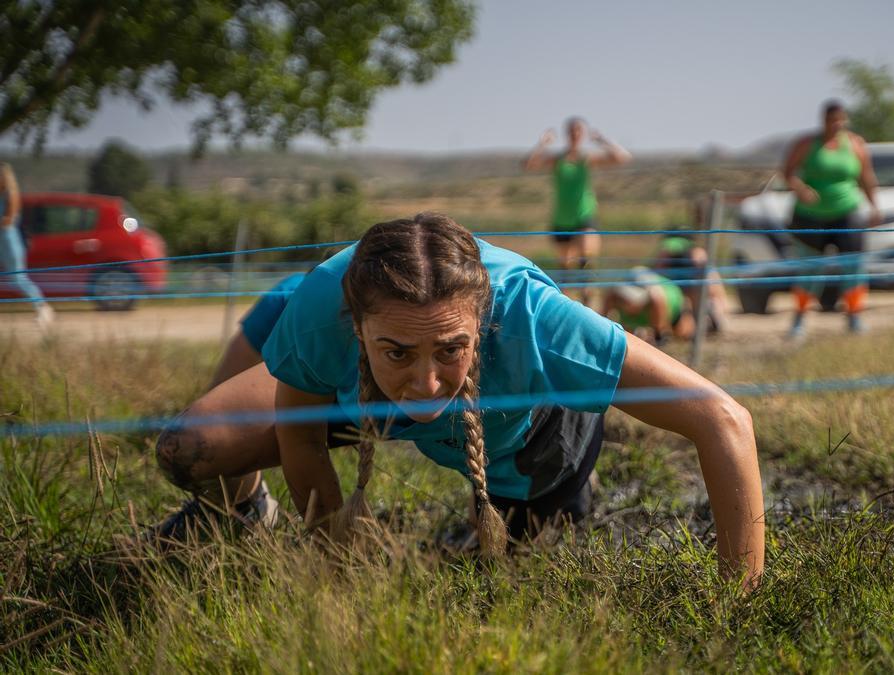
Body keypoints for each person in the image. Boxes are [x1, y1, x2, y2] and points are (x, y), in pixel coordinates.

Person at [150, 214, 764, 588]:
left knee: (507, 580)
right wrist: (331, 560)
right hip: (360, 399)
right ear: (356, 324)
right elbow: (300, 432)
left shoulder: (535, 319)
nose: (426, 385)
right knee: (189, 446)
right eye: (398, 352)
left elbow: (723, 419)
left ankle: (537, 504)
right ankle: (241, 517)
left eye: (450, 349)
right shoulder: (319, 309)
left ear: (482, 325)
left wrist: (738, 610)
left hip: (531, 437)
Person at [781, 100, 880, 340]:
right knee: (810, 268)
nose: (836, 124)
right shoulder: (806, 144)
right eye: (831, 120)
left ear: (844, 120)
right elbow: (787, 173)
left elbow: (866, 177)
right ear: (823, 120)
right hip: (811, 216)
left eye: (840, 120)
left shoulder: (855, 144)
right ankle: (800, 319)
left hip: (847, 212)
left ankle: (854, 316)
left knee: (853, 266)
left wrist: (874, 205)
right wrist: (801, 189)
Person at [524, 117, 632, 306]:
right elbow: (528, 165)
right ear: (567, 134)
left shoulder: (586, 159)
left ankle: (588, 301)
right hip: (561, 218)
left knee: (586, 260)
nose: (575, 135)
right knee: (565, 269)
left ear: (582, 134)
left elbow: (623, 158)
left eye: (579, 132)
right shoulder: (557, 160)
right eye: (572, 132)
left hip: (584, 215)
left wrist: (602, 140)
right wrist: (542, 143)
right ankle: (563, 307)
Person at [0, 163, 54, 329]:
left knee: (18, 278)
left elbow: (9, 219)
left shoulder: (11, 194)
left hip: (10, 241)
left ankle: (43, 308)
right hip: (2, 241)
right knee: (14, 278)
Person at [652, 231, 729, 334]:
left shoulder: (698, 255)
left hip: (697, 295)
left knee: (708, 298)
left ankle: (707, 322)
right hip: (678, 295)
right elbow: (656, 274)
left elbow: (717, 292)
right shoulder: (665, 256)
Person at [602, 266, 695, 345]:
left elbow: (657, 299)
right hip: (654, 298)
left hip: (670, 302)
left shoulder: (666, 300)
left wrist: (657, 334)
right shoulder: (615, 297)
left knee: (683, 334)